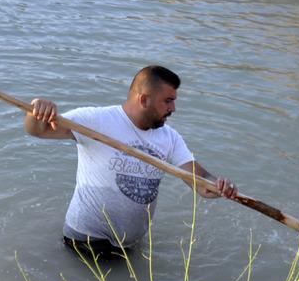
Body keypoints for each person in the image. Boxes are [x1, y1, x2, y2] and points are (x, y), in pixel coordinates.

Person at [25, 65, 238, 258]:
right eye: (168, 101)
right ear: (144, 99)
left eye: (174, 101)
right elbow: (38, 130)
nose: (173, 109)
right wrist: (36, 110)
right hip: (86, 239)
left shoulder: (169, 138)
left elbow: (200, 180)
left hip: (129, 244)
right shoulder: (95, 121)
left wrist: (218, 185)